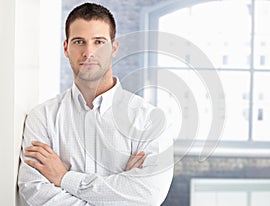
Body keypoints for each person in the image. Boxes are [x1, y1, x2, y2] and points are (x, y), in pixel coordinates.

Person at [18, 3, 174, 206]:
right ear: (66, 48)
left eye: (99, 42)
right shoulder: (43, 117)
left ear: (114, 48)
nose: (88, 52)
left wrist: (64, 178)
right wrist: (121, 187)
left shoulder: (149, 120)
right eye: (79, 41)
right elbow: (35, 192)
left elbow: (148, 195)